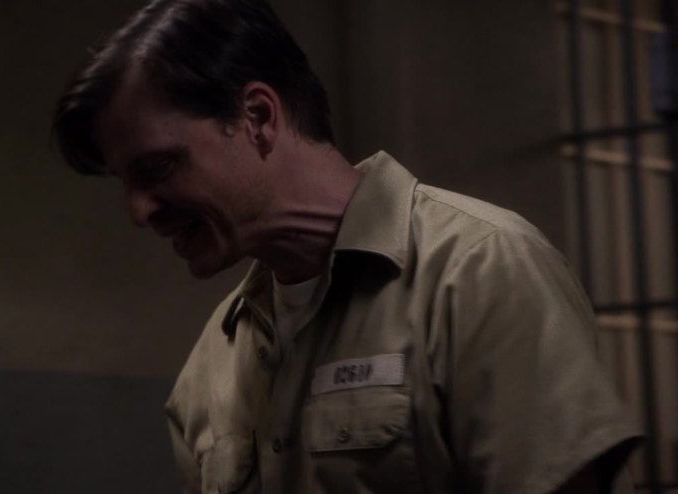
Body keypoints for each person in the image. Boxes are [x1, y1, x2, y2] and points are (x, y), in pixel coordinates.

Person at [53, 0, 640, 492]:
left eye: (156, 168)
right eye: (124, 183)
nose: (138, 211)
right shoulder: (213, 362)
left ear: (257, 117)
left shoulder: (478, 271)